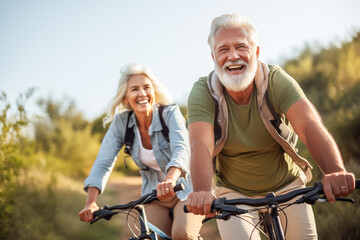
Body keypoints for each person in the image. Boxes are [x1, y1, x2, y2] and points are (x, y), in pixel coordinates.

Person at [185, 13, 356, 240]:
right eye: (223, 49)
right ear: (213, 57)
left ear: (256, 52)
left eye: (241, 46)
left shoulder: (275, 79)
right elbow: (201, 145)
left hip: (287, 185)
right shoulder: (203, 92)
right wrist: (203, 192)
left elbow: (308, 124)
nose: (233, 56)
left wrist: (334, 170)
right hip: (234, 193)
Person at [79, 63, 203, 240]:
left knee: (182, 234)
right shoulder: (121, 123)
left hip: (185, 190)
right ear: (125, 98)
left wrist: (170, 179)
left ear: (153, 92)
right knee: (147, 237)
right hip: (154, 196)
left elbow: (182, 149)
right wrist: (90, 203)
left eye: (146, 87)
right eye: (134, 89)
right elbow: (103, 162)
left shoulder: (169, 113)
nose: (142, 94)